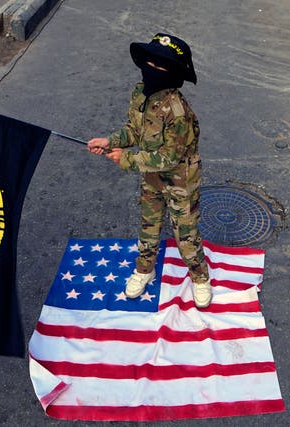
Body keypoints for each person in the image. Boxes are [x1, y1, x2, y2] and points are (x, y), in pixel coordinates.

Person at [88, 33, 212, 308]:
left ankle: (200, 276)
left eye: (161, 67)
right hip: (151, 176)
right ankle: (145, 269)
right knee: (149, 226)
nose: (152, 70)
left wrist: (126, 160)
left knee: (186, 233)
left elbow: (169, 158)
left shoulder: (177, 112)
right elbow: (134, 130)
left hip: (181, 180)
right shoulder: (139, 93)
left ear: (174, 74)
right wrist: (112, 141)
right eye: (150, 63)